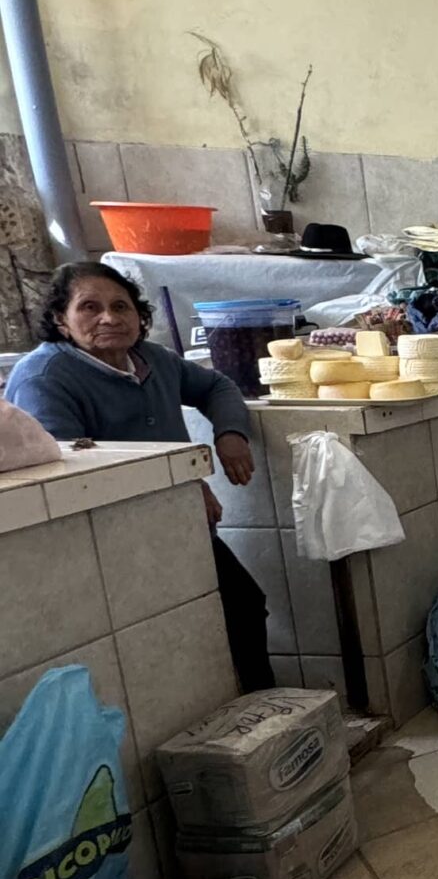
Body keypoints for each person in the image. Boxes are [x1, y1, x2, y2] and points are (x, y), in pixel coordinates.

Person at [7, 261, 274, 691]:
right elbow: (70, 469)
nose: (109, 318)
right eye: (89, 307)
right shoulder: (45, 377)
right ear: (61, 320)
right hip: (106, 540)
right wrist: (181, 486)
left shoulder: (153, 359)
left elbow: (216, 386)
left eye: (121, 306)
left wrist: (230, 435)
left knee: (243, 605)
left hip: (180, 523)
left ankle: (266, 710)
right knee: (163, 636)